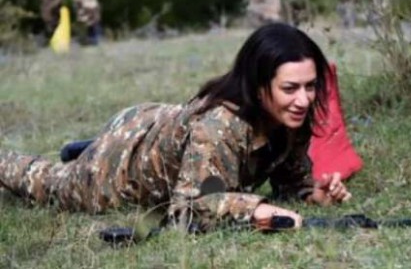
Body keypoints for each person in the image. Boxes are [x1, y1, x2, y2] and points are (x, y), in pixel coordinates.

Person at [0, 23, 351, 231]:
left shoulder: (290, 113)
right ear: (259, 87)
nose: (304, 99)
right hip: (119, 168)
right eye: (290, 88)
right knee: (48, 182)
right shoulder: (219, 127)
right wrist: (255, 210)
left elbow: (290, 179)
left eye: (310, 85)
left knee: (184, 148)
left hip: (159, 124)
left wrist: (312, 194)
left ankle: (83, 147)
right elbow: (188, 210)